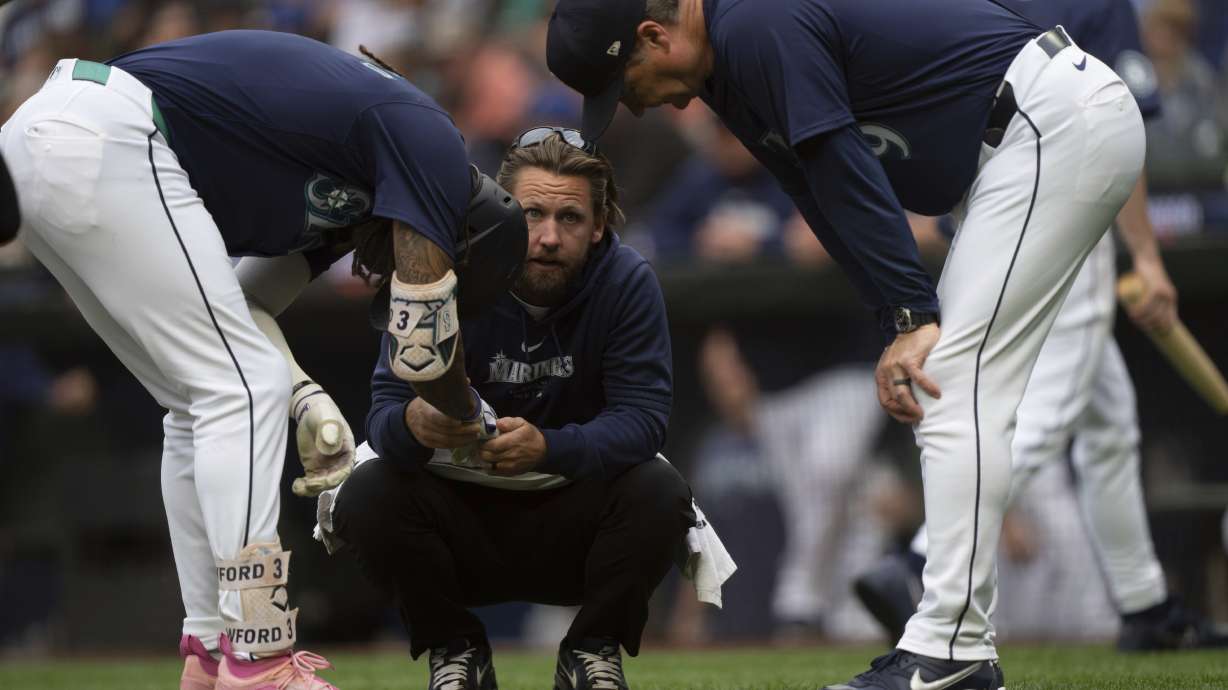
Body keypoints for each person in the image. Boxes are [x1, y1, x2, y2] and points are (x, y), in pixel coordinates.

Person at [546, 1, 1147, 688]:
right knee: (960, 380)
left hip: (1047, 122)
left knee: (950, 381)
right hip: (1018, 141)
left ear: (655, 36)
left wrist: (915, 313)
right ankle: (953, 646)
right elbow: (813, 188)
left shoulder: (751, 26)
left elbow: (839, 163)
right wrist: (899, 315)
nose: (642, 108)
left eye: (629, 85)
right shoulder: (725, 60)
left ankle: (950, 649)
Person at [0, 30, 526, 690]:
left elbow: (246, 309)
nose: (385, 275)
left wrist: (300, 393)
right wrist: (471, 421)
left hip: (59, 142)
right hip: (106, 132)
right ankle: (260, 660)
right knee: (239, 388)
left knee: (199, 400)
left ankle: (210, 651)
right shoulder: (433, 145)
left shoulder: (356, 197)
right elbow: (426, 345)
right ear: (462, 237)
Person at [852, 0, 1228, 654]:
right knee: (1050, 411)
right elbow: (1120, 117)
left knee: (1109, 416)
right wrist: (1144, 254)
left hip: (987, 199)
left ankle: (1145, 606)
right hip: (1063, 196)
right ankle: (917, 561)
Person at [327, 129, 695, 690]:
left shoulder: (626, 281)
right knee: (366, 493)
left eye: (570, 218)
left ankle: (592, 651)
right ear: (500, 213)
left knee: (662, 492)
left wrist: (551, 447)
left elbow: (644, 421)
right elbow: (382, 418)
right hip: (458, 516)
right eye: (531, 214)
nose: (548, 236)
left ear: (598, 226)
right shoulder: (437, 274)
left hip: (572, 517)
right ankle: (455, 651)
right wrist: (415, 424)